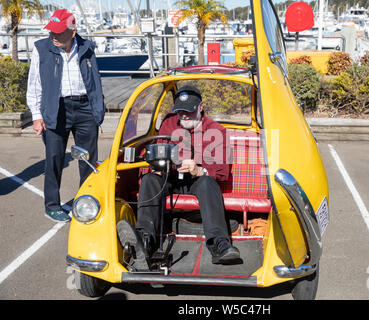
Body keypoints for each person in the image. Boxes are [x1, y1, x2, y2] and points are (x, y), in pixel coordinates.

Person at [117, 86, 241, 268]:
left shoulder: (217, 131)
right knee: (150, 180)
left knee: (208, 183)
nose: (183, 116)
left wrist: (199, 169)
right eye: (180, 111)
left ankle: (219, 244)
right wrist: (159, 164)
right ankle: (144, 241)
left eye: (188, 111)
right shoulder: (169, 123)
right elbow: (159, 148)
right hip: (171, 175)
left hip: (197, 180)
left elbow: (222, 172)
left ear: (201, 107)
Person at [26, 9, 105, 223]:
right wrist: (36, 115)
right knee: (54, 158)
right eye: (51, 30)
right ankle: (52, 205)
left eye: (59, 32)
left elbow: (95, 81)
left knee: (88, 160)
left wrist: (98, 109)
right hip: (56, 108)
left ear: (72, 31)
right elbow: (34, 84)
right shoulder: (41, 49)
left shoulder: (87, 48)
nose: (53, 35)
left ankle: (86, 201)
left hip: (85, 108)